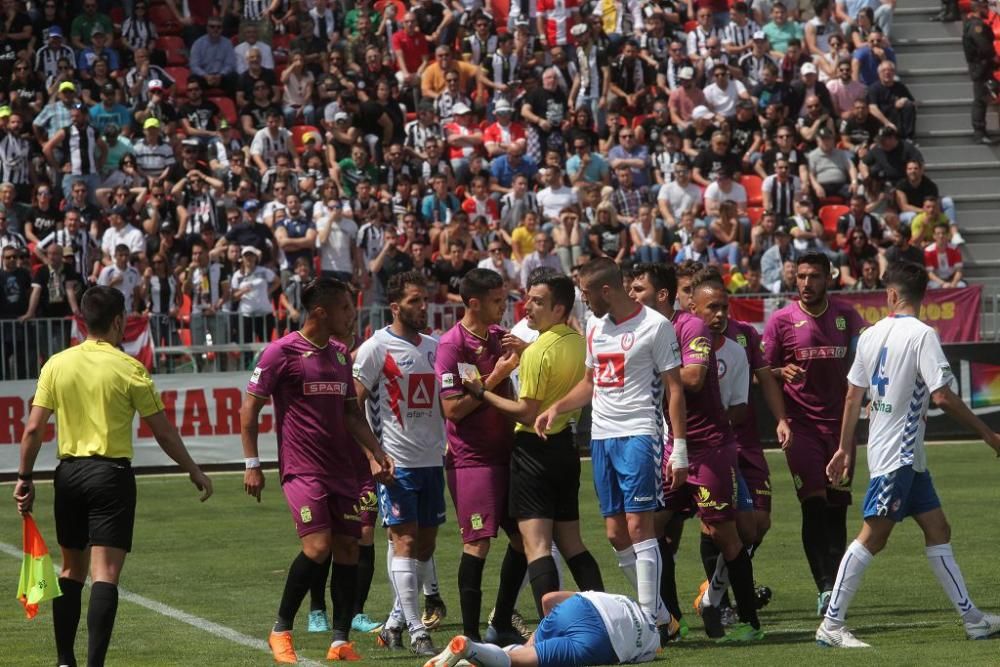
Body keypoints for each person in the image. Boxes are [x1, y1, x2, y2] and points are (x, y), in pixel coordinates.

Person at [14, 286, 213, 667]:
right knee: (105, 574)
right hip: (110, 474)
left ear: (82, 320)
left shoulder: (57, 364)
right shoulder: (128, 366)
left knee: (71, 569)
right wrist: (194, 470)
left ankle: (63, 660)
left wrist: (24, 476)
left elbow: (33, 430)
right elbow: (164, 432)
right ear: (119, 321)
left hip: (68, 473)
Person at [816, 261, 1000, 647]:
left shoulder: (869, 335)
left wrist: (844, 448)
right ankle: (832, 624)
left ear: (892, 295)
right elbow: (942, 396)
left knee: (938, 529)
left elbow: (853, 394)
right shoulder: (922, 335)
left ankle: (973, 620)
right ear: (920, 296)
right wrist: (987, 432)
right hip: (896, 455)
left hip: (905, 456)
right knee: (873, 537)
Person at [240, 277, 394, 664]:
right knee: (318, 547)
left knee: (347, 549)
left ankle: (340, 640)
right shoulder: (280, 352)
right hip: (302, 470)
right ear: (321, 312)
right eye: (345, 307)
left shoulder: (341, 354)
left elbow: (350, 413)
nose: (351, 314)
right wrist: (252, 463)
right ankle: (280, 630)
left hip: (344, 469)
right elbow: (249, 410)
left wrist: (376, 451)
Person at [534, 257, 687, 632]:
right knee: (615, 533)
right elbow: (591, 382)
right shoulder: (594, 325)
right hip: (601, 437)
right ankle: (664, 616)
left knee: (639, 526)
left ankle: (649, 620)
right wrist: (557, 406)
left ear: (606, 290)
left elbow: (675, 388)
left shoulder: (656, 326)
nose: (583, 301)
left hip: (640, 434)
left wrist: (679, 446)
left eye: (586, 293)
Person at [462, 271, 605, 618]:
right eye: (528, 298)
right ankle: (606, 616)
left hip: (533, 453)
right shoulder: (576, 341)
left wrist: (482, 392)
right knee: (572, 543)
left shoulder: (539, 351)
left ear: (559, 309)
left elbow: (526, 413)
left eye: (538, 301)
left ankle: (553, 628)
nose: (528, 306)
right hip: (566, 450)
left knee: (537, 545)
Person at [763, 252, 867, 616]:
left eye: (814, 276)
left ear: (829, 279)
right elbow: (764, 371)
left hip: (840, 430)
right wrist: (779, 375)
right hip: (801, 428)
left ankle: (835, 587)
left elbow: (866, 358)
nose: (806, 283)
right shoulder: (780, 320)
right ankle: (824, 587)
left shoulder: (847, 316)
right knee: (814, 503)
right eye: (802, 276)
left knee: (837, 509)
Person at [353, 270, 445, 657]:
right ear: (395, 307)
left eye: (424, 299)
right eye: (413, 301)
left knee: (425, 547)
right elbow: (351, 406)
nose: (422, 306)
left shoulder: (435, 346)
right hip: (398, 464)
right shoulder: (376, 347)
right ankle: (416, 631)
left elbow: (444, 403)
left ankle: (392, 624)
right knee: (404, 541)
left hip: (432, 462)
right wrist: (374, 455)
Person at [436, 268, 530, 645]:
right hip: (472, 460)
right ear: (473, 303)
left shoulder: (498, 337)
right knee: (477, 544)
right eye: (497, 300)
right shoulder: (451, 345)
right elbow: (453, 410)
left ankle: (502, 621)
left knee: (525, 539)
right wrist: (497, 373)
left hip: (510, 454)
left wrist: (525, 356)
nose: (504, 307)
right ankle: (470, 635)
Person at [426, 590, 660, 667]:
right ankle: (469, 650)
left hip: (579, 608)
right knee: (518, 661)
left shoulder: (624, 599)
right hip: (600, 641)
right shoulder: (652, 645)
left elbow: (548, 599)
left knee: (527, 649)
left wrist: (546, 632)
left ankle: (474, 657)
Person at [962, 0, 998, 145]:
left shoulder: (973, 23)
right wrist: (994, 57)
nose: (987, 10)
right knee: (980, 100)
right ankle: (979, 132)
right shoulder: (977, 25)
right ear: (979, 8)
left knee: (984, 97)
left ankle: (981, 131)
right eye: (985, 7)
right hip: (981, 66)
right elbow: (984, 47)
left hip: (981, 66)